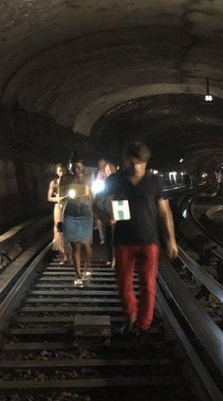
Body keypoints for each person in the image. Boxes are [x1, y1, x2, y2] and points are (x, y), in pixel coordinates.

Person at [97, 142, 178, 335]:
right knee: (124, 283)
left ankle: (144, 324)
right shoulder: (116, 179)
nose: (136, 167)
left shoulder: (155, 181)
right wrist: (104, 217)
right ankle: (130, 315)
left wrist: (171, 240)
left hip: (149, 240)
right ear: (127, 161)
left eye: (140, 163)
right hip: (123, 240)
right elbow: (96, 202)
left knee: (148, 284)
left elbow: (165, 212)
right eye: (132, 163)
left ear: (146, 162)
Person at [61, 154, 94, 288]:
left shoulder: (88, 178)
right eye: (74, 167)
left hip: (85, 212)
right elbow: (61, 195)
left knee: (86, 244)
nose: (76, 169)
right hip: (71, 212)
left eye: (79, 167)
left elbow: (92, 195)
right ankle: (78, 275)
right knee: (75, 246)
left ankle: (87, 269)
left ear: (83, 167)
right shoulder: (65, 179)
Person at [47, 163, 69, 264]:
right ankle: (64, 254)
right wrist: (58, 198)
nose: (62, 172)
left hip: (69, 207)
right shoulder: (54, 182)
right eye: (60, 171)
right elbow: (49, 197)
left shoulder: (71, 181)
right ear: (56, 172)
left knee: (70, 229)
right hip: (59, 207)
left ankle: (72, 253)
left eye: (63, 170)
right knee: (60, 229)